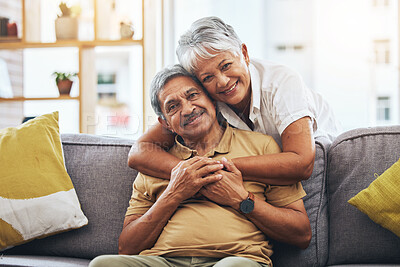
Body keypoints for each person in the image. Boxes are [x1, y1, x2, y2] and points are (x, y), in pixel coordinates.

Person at [89, 65, 311, 267]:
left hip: (234, 261)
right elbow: (126, 248)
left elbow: (301, 234)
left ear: (213, 100)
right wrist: (174, 193)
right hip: (162, 261)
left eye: (192, 95)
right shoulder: (155, 163)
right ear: (165, 123)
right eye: (173, 106)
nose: (187, 109)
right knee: (102, 264)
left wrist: (241, 199)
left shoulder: (261, 147)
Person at [128, 16, 341, 185]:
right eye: (208, 78)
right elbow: (140, 152)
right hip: (263, 178)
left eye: (226, 65)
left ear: (244, 53)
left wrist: (215, 166)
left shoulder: (282, 81)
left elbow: (302, 163)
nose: (222, 82)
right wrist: (189, 173)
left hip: (327, 169)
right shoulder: (205, 100)